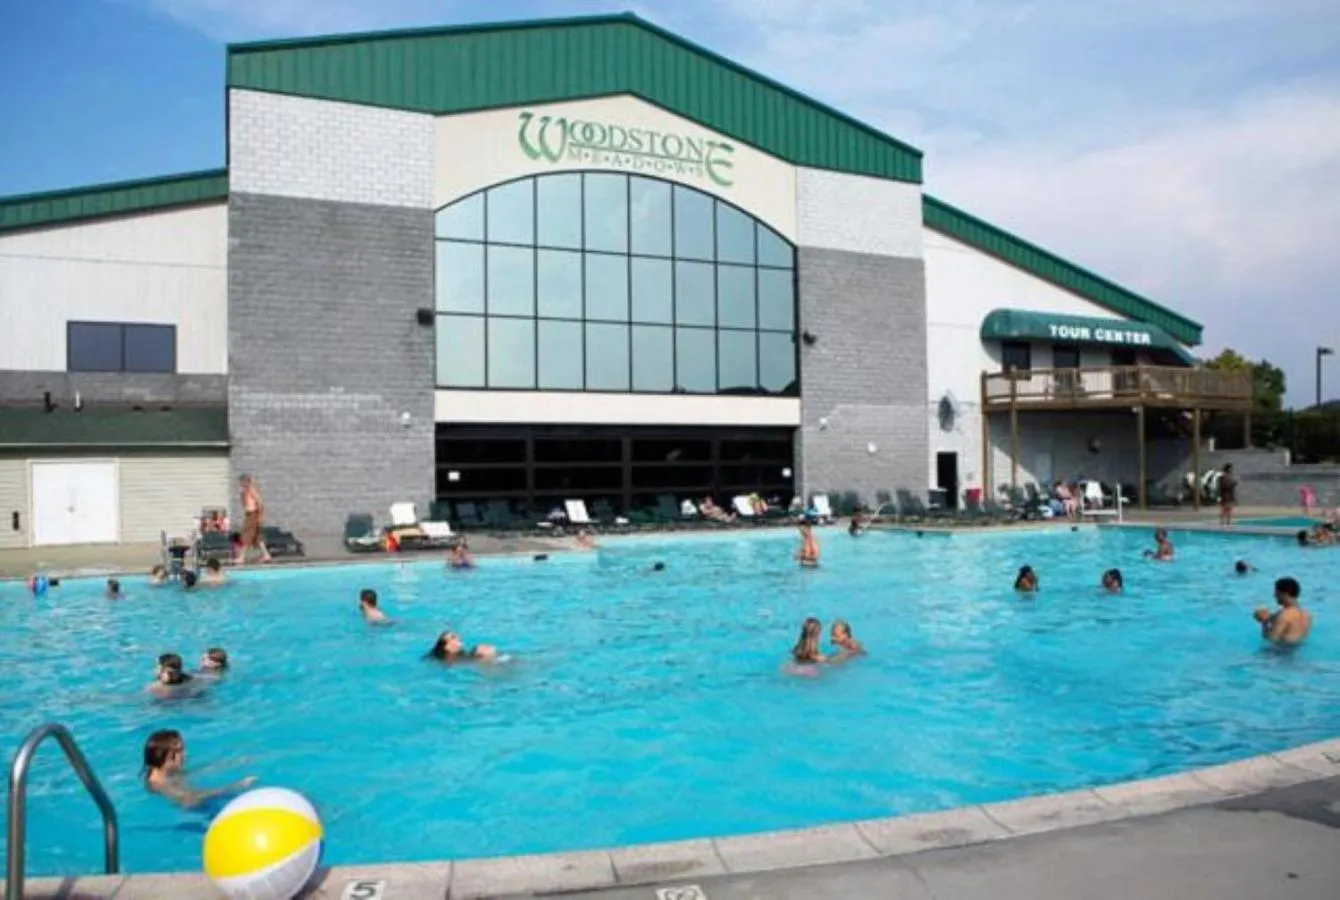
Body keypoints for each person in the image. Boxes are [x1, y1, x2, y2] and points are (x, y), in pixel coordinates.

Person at [142, 730, 255, 809]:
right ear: (164, 755)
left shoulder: (166, 772)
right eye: (180, 751)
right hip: (195, 813)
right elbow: (190, 800)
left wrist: (230, 763)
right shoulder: (160, 783)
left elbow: (193, 772)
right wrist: (235, 787)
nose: (185, 754)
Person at [1252, 577, 1311, 646]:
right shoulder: (1307, 615)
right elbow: (1271, 618)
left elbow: (1271, 640)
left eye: (1276, 593)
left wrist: (1264, 623)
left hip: (1281, 653)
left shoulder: (1284, 616)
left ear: (1284, 594)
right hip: (1296, 650)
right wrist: (1265, 618)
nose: (1274, 596)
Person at [233, 474, 272, 566]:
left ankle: (241, 557)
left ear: (248, 481)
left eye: (244, 481)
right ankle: (266, 555)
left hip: (253, 516)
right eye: (241, 482)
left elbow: (260, 503)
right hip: (249, 515)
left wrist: (259, 517)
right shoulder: (244, 492)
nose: (242, 484)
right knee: (256, 538)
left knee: (246, 535)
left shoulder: (252, 490)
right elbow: (245, 504)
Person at [425, 630, 498, 663]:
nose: (458, 636)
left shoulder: (461, 653)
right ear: (447, 646)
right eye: (453, 637)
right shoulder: (446, 659)